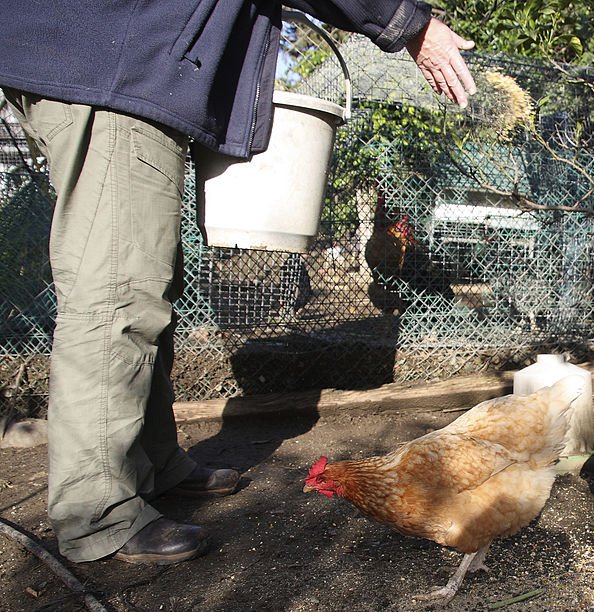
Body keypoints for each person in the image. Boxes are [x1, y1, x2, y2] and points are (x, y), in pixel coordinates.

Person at [0, 1, 476, 565]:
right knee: (119, 294)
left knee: (151, 279)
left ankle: (151, 462)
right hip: (116, 62)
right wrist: (407, 22)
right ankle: (97, 511)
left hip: (128, 59)